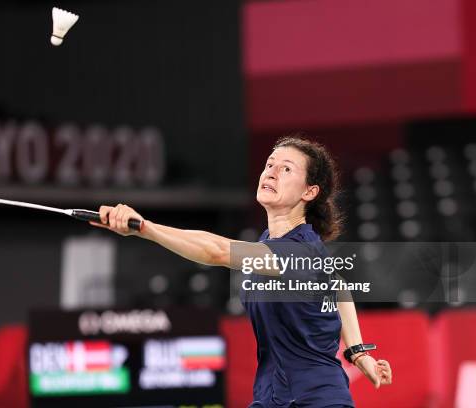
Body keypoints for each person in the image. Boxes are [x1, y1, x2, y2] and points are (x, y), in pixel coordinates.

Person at [90, 135, 392, 407]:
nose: (271, 172)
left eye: (286, 169)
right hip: (271, 396)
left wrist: (145, 228)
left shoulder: (298, 250)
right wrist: (357, 351)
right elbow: (337, 283)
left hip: (316, 399)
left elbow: (217, 251)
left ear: (310, 192)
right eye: (269, 164)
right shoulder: (274, 244)